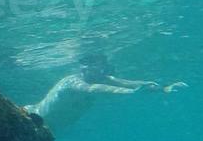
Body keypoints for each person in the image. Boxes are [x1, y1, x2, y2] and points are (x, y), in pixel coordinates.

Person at [24, 53, 185, 133]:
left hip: (51, 131)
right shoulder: (71, 82)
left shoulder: (104, 79)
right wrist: (130, 94)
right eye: (87, 66)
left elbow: (133, 84)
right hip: (30, 118)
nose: (90, 70)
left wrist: (164, 89)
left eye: (97, 67)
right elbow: (92, 89)